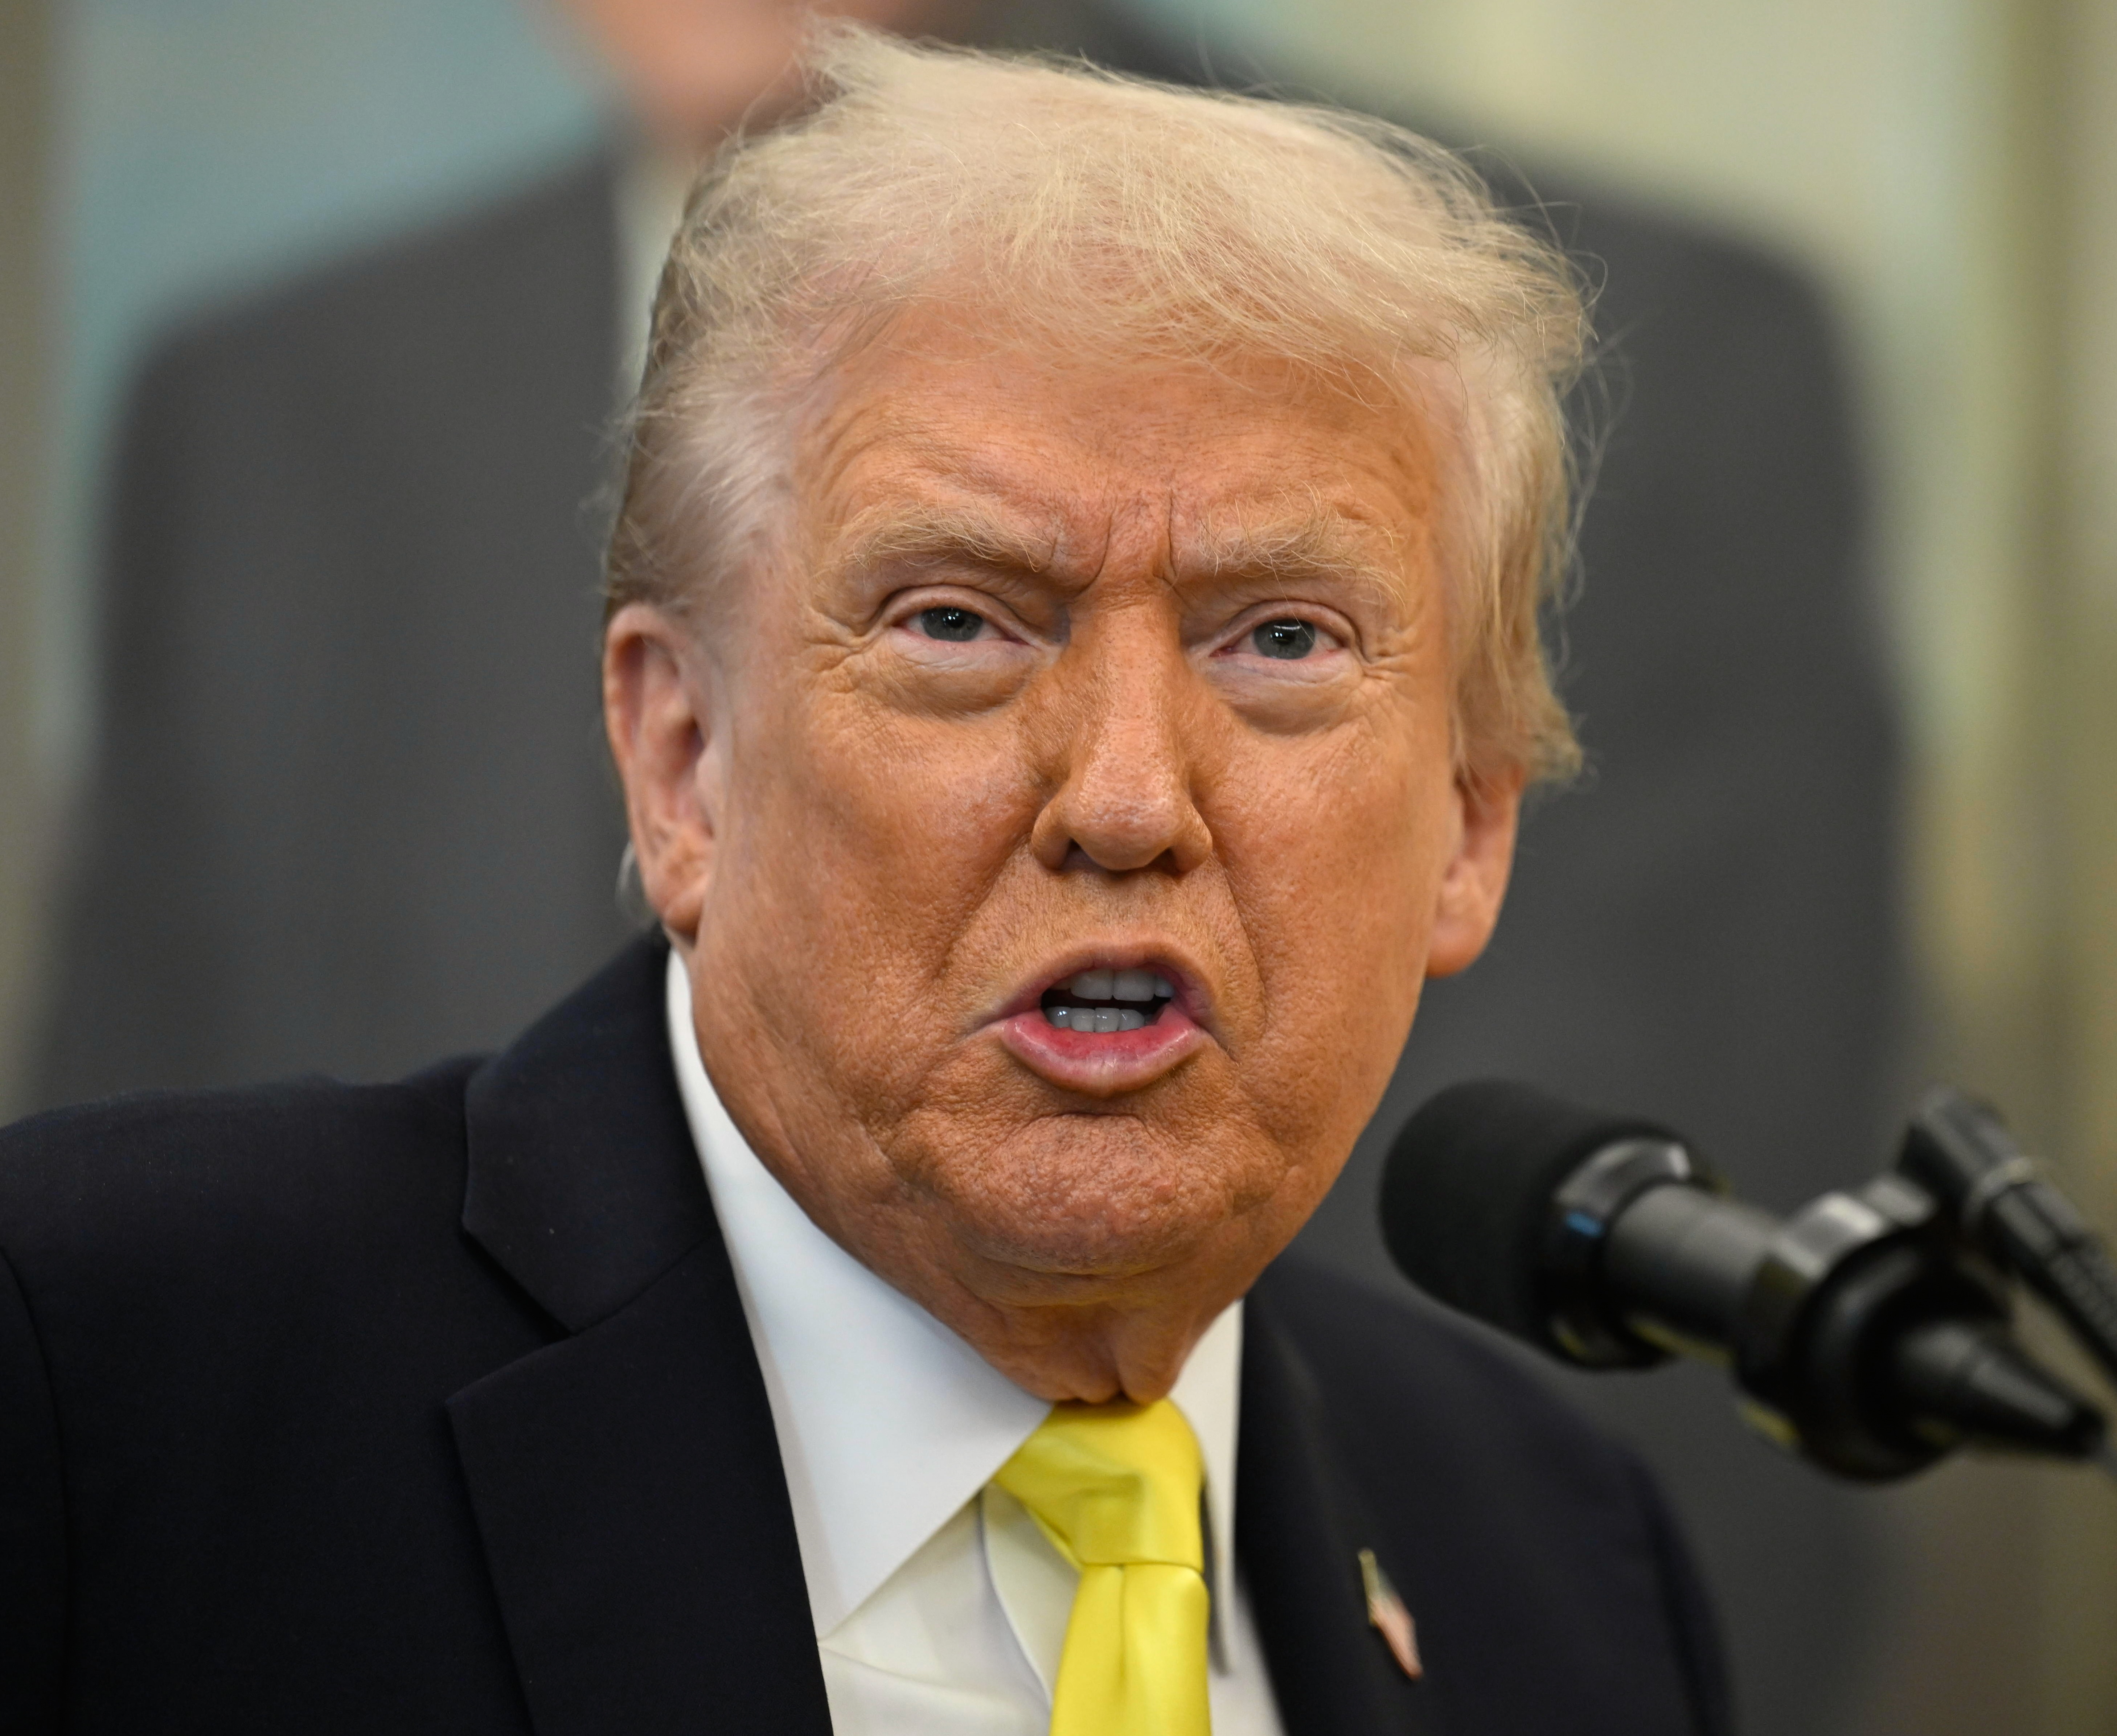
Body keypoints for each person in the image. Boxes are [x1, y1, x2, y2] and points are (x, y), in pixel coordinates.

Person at [36, 2, 1899, 1728]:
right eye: (958, 621)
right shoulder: (106, 1386)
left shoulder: (1567, 1579)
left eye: (1281, 643)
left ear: (1471, 830)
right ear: (683, 762)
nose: (1121, 797)